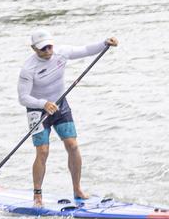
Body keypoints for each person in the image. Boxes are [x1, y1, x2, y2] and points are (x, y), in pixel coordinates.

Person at [17, 30, 117, 205]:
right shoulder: (28, 69)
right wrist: (43, 104)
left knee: (73, 145)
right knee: (43, 151)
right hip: (37, 110)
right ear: (34, 48)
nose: (48, 51)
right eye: (43, 48)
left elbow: (85, 49)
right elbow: (23, 98)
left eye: (50, 46)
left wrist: (105, 43)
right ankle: (37, 195)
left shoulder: (61, 53)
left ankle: (77, 189)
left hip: (61, 106)